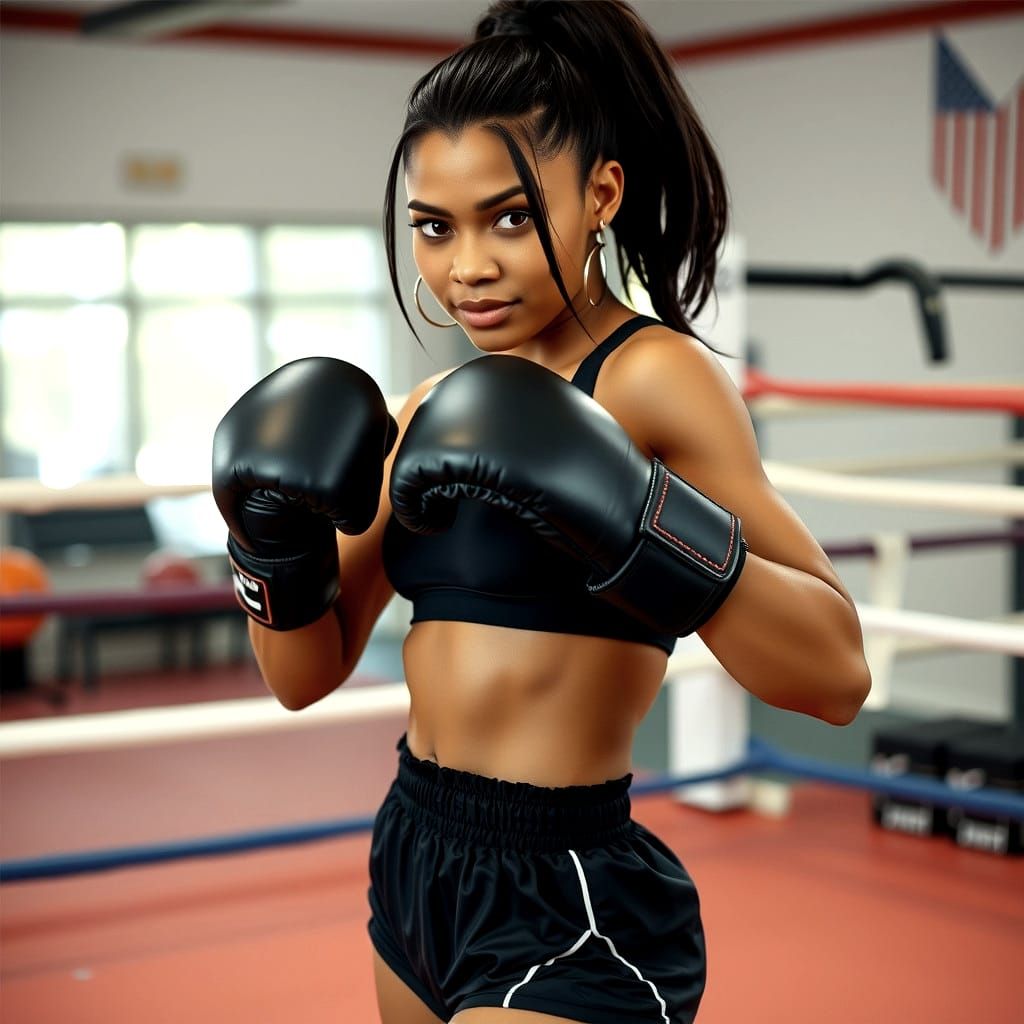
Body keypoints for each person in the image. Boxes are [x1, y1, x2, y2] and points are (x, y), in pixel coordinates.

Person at [211, 2, 872, 1021]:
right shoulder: (432, 409)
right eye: (434, 227)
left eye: (509, 218)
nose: (467, 266)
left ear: (597, 194)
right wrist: (269, 541)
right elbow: (304, 673)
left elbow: (835, 672)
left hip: (568, 888)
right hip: (414, 852)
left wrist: (633, 518)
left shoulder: (651, 378)